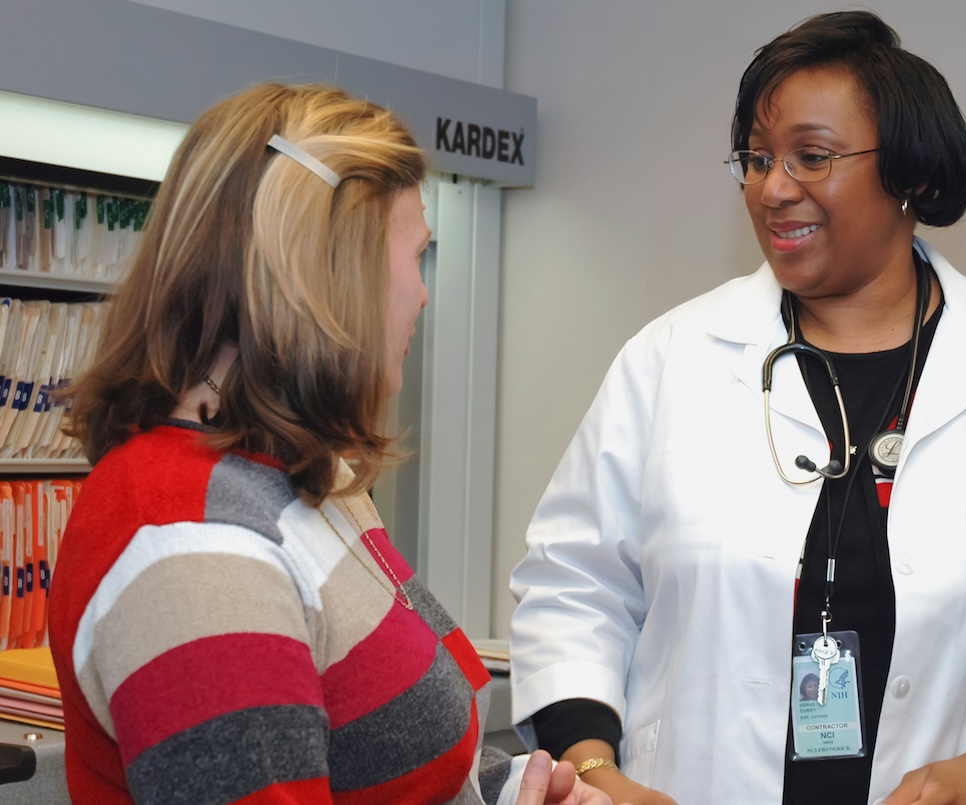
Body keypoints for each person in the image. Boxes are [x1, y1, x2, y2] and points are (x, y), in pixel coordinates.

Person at [508, 11, 966, 805]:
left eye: (811, 156)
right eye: (755, 158)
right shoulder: (670, 360)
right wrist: (601, 778)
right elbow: (572, 590)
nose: (774, 188)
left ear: (911, 173)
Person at [46, 82, 619, 805]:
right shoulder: (192, 547)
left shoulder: (307, 480)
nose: (422, 293)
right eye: (415, 256)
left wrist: (516, 792)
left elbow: (392, 768)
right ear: (330, 277)